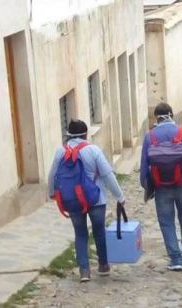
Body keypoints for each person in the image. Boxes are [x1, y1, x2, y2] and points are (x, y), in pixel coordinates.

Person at [48, 119, 125, 282]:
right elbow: (107, 175)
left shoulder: (60, 152)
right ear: (85, 134)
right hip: (95, 199)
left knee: (80, 234)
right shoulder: (93, 150)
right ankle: (103, 265)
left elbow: (52, 175)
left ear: (68, 134)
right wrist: (119, 196)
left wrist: (52, 193)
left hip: (72, 200)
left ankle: (84, 271)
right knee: (99, 231)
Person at [140, 103, 182, 271]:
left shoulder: (150, 137)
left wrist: (147, 187)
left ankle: (176, 259)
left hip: (161, 186)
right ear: (171, 115)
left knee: (166, 221)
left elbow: (144, 165)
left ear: (156, 118)